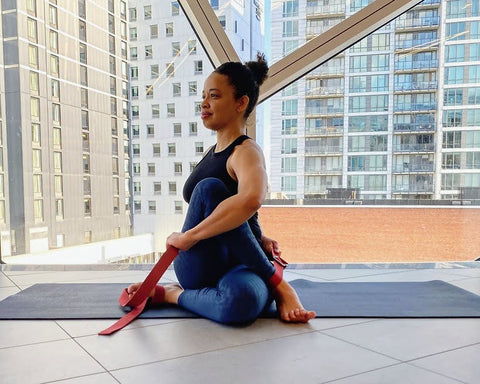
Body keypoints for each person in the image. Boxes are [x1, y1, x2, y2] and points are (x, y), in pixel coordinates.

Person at [128, 53, 315, 324]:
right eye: (204, 96)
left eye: (214, 96)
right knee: (208, 190)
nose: (204, 103)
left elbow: (251, 200)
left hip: (241, 267)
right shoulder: (211, 153)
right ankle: (278, 284)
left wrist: (192, 236)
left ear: (241, 103)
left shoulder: (246, 151)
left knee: (240, 303)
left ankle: (174, 295)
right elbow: (226, 209)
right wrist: (193, 238)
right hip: (199, 265)